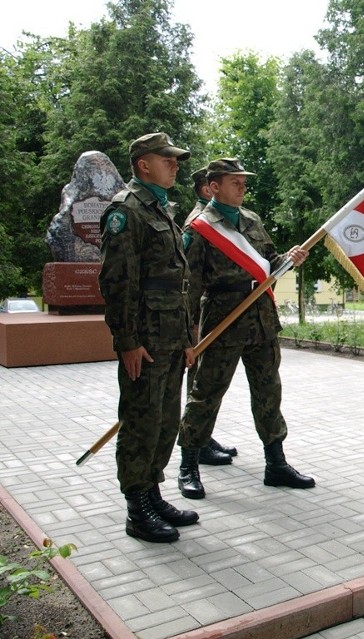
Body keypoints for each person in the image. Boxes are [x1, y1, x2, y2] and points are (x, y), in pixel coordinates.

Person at [176, 157, 315, 499]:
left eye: (243, 181)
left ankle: (276, 463)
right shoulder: (199, 228)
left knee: (268, 391)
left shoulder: (251, 219)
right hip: (223, 318)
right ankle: (188, 464)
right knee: (206, 393)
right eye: (234, 181)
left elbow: (269, 262)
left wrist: (289, 258)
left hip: (261, 318)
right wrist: (186, 339)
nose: (242, 186)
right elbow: (189, 288)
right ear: (213, 187)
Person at [99, 132, 199, 543]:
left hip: (172, 338)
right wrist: (126, 341)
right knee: (141, 421)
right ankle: (136, 507)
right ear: (144, 163)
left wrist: (189, 338)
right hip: (145, 340)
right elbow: (117, 282)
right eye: (168, 159)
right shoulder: (127, 211)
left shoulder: (161, 209)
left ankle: (152, 492)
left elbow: (179, 283)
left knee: (165, 420)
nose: (175, 164)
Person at [184, 166, 238, 467]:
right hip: (208, 312)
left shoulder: (226, 219)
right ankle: (197, 443)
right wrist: (191, 323)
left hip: (224, 312)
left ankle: (204, 437)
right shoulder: (198, 221)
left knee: (207, 384)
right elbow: (190, 278)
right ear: (208, 189)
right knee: (201, 383)